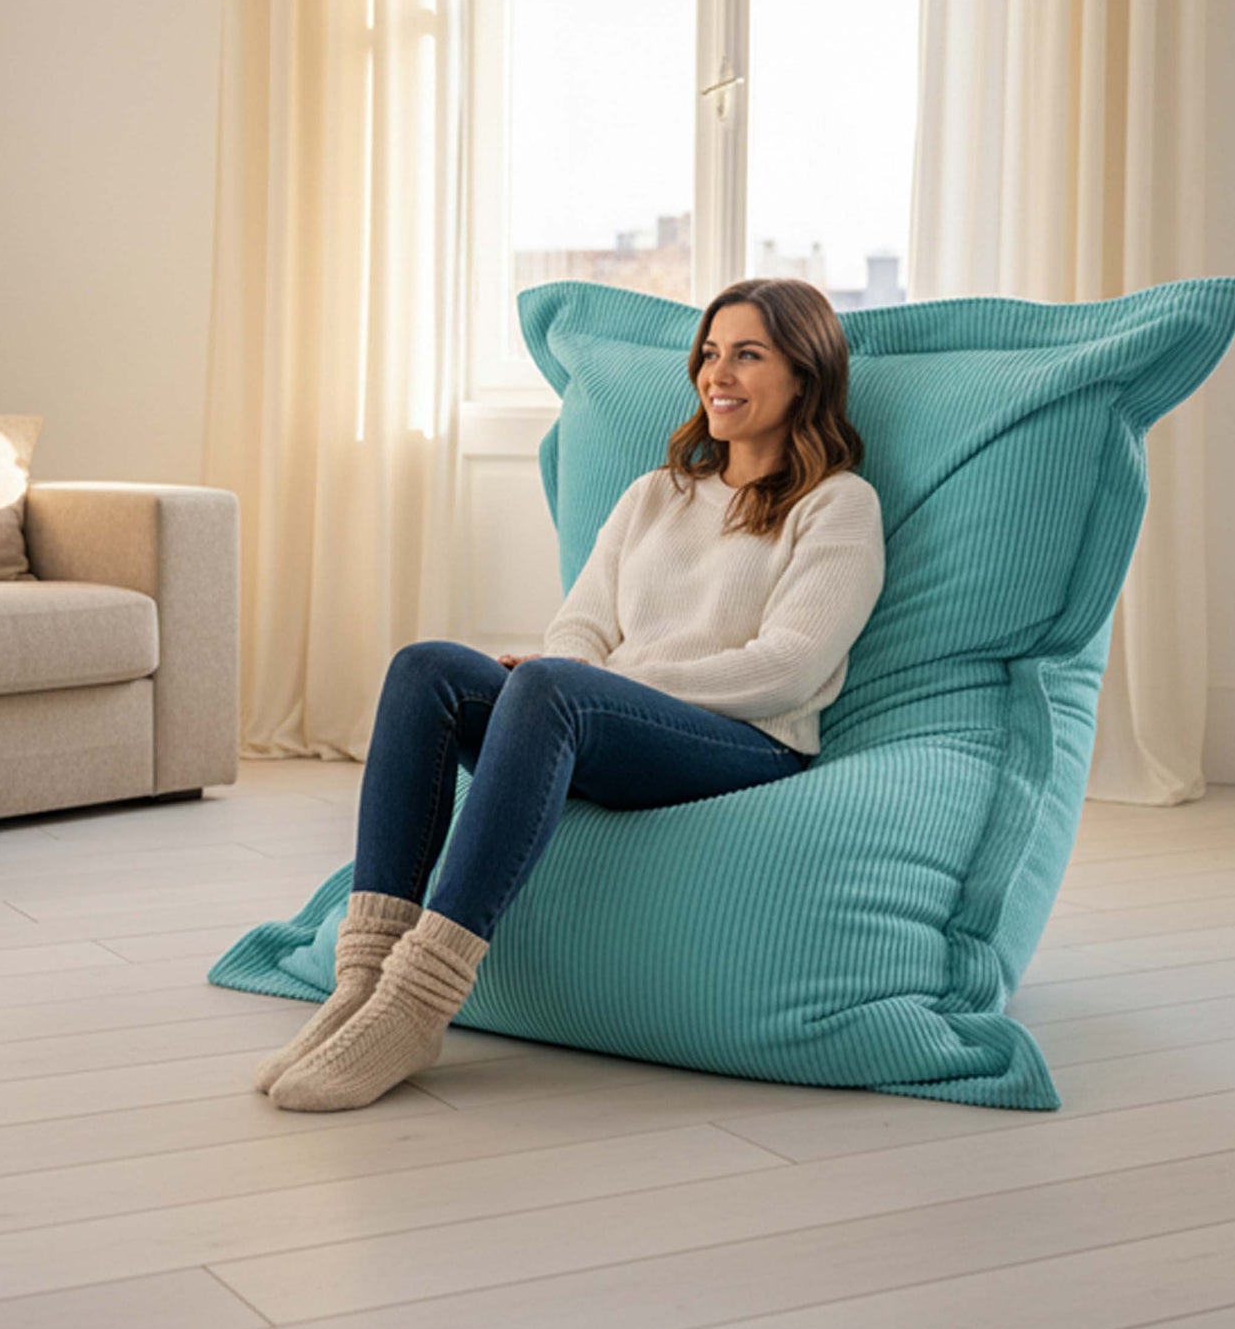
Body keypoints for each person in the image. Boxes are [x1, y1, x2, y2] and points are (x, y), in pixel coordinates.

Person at [256, 277, 888, 1111]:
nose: (717, 374)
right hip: (611, 719)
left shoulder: (838, 505)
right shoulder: (657, 493)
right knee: (426, 669)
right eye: (709, 353)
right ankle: (364, 980)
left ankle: (418, 1002)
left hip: (747, 740)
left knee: (554, 685)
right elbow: (580, 626)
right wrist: (577, 679)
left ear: (805, 375)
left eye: (747, 355)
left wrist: (600, 682)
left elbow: (790, 667)